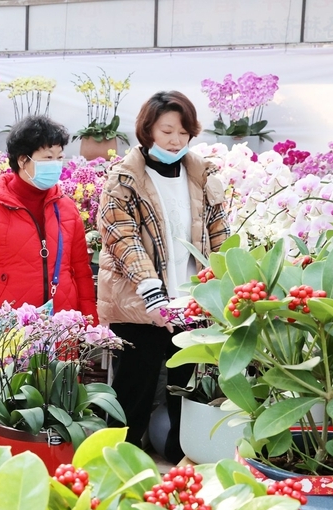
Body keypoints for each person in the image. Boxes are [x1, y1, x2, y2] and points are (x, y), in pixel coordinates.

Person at [96, 90, 229, 463]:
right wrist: (152, 292)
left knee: (181, 391)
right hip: (139, 303)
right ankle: (114, 462)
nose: (176, 140)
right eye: (167, 130)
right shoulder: (124, 178)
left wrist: (223, 286)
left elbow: (219, 238)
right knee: (131, 392)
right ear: (148, 130)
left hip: (188, 303)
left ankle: (174, 465)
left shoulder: (202, 175)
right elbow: (122, 237)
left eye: (184, 132)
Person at [0, 115, 97, 324]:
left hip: (60, 327)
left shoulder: (66, 208)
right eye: (48, 158)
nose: (56, 165)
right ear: (22, 160)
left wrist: (90, 324)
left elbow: (81, 272)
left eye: (60, 157)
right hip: (9, 329)